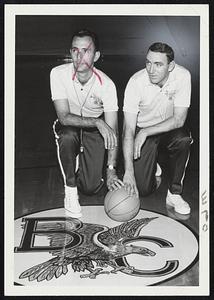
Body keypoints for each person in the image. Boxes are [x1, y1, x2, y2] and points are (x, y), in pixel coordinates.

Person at [50, 29, 123, 218]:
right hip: (71, 125)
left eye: (86, 50)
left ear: (96, 56)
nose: (79, 56)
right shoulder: (57, 74)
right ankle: (70, 191)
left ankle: (81, 164)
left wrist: (111, 170)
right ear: (70, 52)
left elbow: (112, 130)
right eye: (75, 50)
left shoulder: (106, 85)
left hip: (94, 132)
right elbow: (64, 117)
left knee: (91, 188)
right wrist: (97, 122)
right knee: (67, 135)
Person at [122, 42, 193, 215]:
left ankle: (174, 193)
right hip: (142, 130)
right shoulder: (136, 82)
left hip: (168, 130)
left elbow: (179, 120)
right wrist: (128, 171)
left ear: (171, 66)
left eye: (158, 64)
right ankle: (153, 164)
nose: (151, 70)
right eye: (148, 62)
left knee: (183, 139)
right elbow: (128, 130)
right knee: (142, 190)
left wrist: (146, 132)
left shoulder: (183, 76)